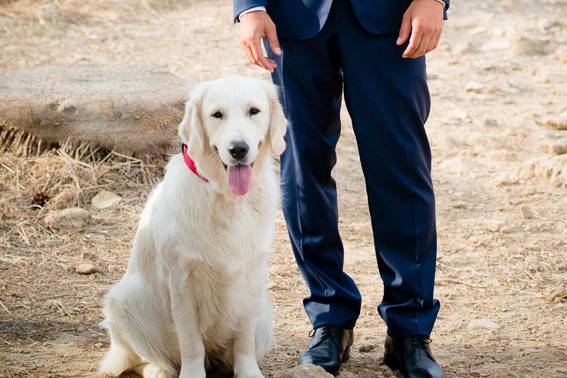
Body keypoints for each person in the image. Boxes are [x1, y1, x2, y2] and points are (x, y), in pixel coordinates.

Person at [233, 0, 449, 377]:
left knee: (401, 168)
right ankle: (329, 317)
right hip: (293, 18)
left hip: (393, 17)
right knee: (302, 169)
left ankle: (410, 329)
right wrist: (249, 6)